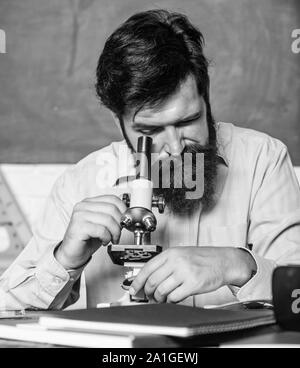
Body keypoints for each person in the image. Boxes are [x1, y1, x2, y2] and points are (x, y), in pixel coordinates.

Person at [1, 9, 300, 310]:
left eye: (188, 121)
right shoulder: (80, 183)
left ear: (206, 98)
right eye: (151, 130)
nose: (174, 147)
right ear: (118, 121)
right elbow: (7, 310)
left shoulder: (263, 159)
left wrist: (238, 265)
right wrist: (65, 259)